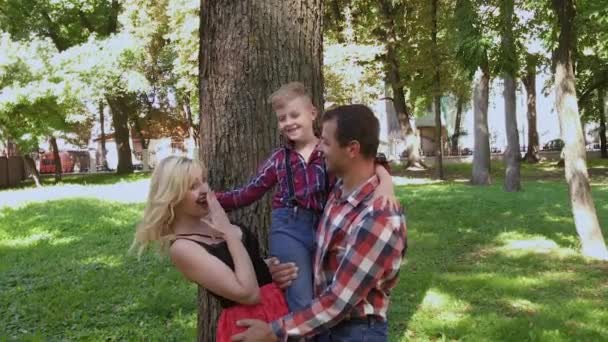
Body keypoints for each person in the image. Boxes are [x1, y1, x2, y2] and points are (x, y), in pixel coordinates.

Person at [231, 104, 408, 342]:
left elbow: (339, 301)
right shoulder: (338, 190)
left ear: (352, 149)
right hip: (323, 325)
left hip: (355, 332)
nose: (319, 149)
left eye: (325, 142)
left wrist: (274, 332)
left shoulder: (379, 217)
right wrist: (277, 268)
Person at [131, 156, 288, 342]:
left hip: (278, 310)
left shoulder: (211, 222)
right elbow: (249, 293)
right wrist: (228, 232)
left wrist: (266, 270)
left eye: (204, 180)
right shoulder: (183, 248)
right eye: (193, 186)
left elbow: (245, 268)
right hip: (249, 326)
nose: (205, 189)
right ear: (173, 196)